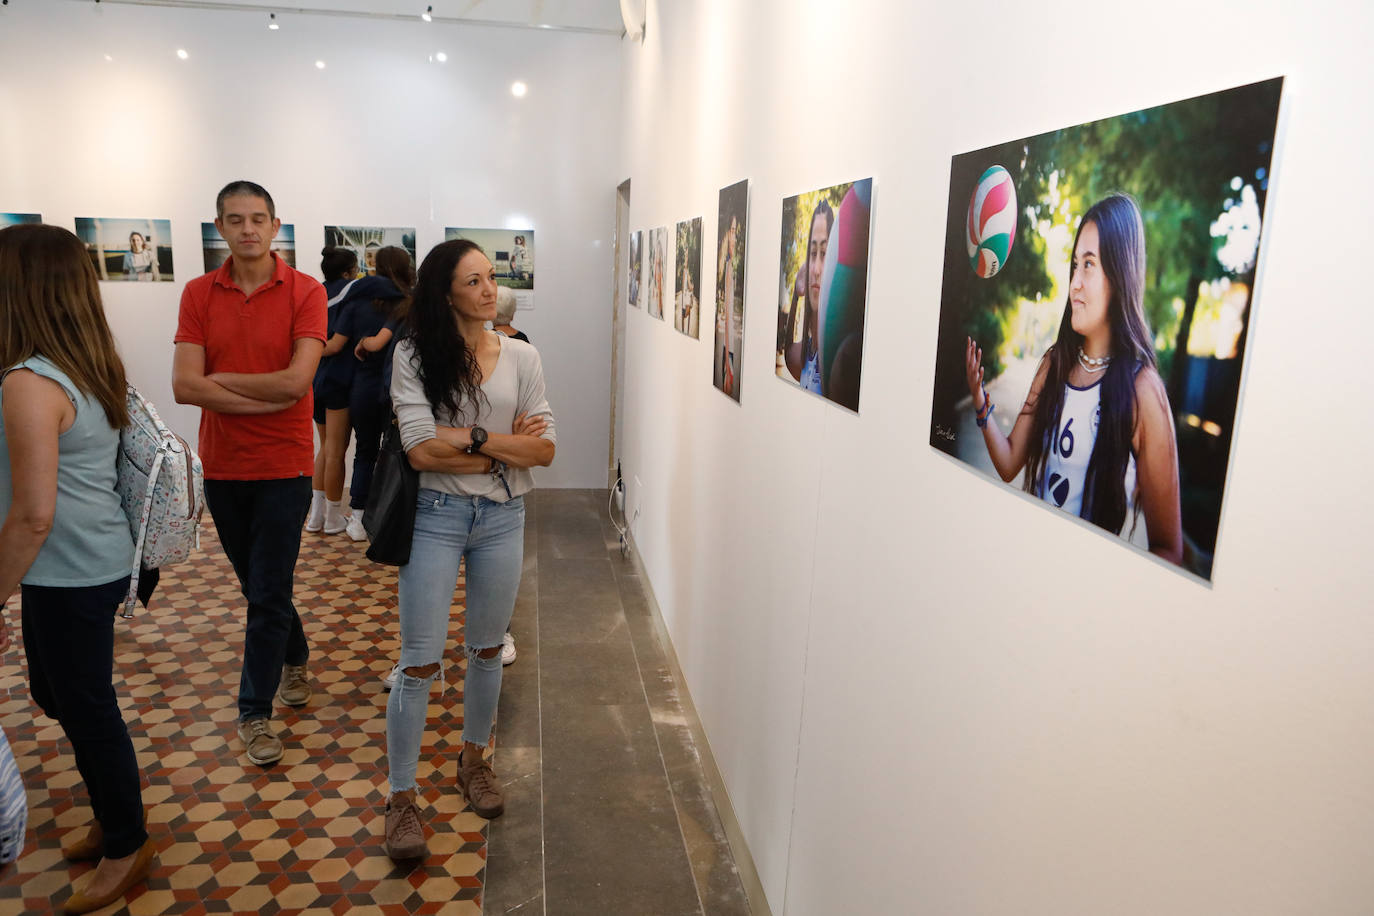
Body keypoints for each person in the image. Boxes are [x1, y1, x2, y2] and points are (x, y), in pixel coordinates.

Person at [0, 223, 158, 913]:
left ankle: (127, 839)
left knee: (86, 707)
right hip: (86, 564)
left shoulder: (31, 384)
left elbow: (33, 513)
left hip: (68, 569)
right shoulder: (86, 364)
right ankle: (111, 808)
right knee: (58, 694)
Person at [382, 238, 555, 860]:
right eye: (474, 281)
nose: (490, 290)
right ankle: (402, 798)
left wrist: (469, 439)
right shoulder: (414, 355)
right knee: (420, 661)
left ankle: (473, 760)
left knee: (486, 649)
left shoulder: (520, 356)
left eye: (491, 278)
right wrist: (498, 438)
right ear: (445, 292)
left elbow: (545, 449)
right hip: (435, 515)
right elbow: (421, 451)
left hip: (504, 516)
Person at [172, 180, 327, 766]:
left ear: (275, 224)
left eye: (258, 218)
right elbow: (185, 386)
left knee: (265, 592)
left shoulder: (305, 291)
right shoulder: (197, 293)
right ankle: (296, 655)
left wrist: (221, 382)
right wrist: (262, 392)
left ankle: (254, 714)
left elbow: (296, 383)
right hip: (225, 466)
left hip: (286, 467)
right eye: (235, 220)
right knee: (259, 587)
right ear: (220, 227)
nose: (248, 230)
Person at [963, 193, 1183, 563]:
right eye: (1074, 266)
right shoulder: (1054, 364)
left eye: (1090, 265)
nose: (1074, 284)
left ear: (1120, 274)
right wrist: (982, 404)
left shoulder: (1143, 392)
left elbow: (1168, 548)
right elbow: (1008, 464)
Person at [334, 245, 414, 540]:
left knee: (365, 451)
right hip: (402, 388)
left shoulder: (355, 300)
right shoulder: (410, 302)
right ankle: (395, 514)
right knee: (399, 451)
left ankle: (358, 517)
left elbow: (338, 343)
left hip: (365, 386)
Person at [305, 246, 361, 535]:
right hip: (340, 377)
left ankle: (316, 516)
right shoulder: (352, 292)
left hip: (317, 378)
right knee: (336, 450)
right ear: (348, 271)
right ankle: (333, 517)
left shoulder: (315, 292)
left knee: (325, 446)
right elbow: (338, 343)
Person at [781, 200, 833, 393]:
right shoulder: (808, 353)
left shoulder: (833, 360)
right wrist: (796, 295)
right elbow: (789, 356)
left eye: (825, 253)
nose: (817, 269)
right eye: (813, 253)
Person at [716, 215, 739, 396]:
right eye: (732, 231)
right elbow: (727, 318)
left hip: (728, 349)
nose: (735, 237)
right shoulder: (727, 267)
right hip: (728, 349)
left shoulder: (729, 266)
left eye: (735, 232)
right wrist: (727, 363)